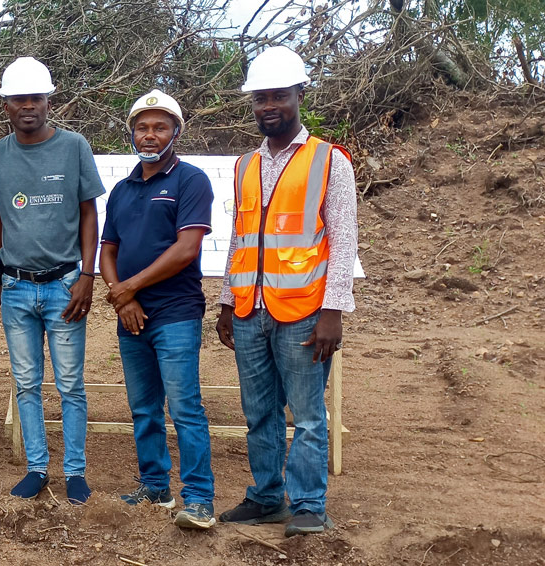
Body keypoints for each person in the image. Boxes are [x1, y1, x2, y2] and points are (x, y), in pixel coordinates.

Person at [215, 45, 357, 537]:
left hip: (303, 311)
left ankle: (309, 505)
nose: (267, 106)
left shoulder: (330, 161)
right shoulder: (243, 165)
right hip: (250, 311)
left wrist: (333, 311)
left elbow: (342, 242)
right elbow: (240, 235)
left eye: (278, 95)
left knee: (309, 416)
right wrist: (225, 302)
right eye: (259, 98)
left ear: (300, 94)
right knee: (258, 413)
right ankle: (266, 497)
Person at [0, 57, 104, 504]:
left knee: (70, 384)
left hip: (65, 284)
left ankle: (74, 471)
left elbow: (89, 212)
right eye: (18, 99)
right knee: (26, 382)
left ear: (49, 101)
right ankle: (37, 468)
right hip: (15, 287)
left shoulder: (74, 147)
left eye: (35, 97)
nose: (27, 105)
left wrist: (87, 274)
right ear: (6, 106)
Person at [99, 89, 216, 528]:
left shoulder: (190, 181)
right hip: (131, 316)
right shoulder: (122, 189)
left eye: (160, 126)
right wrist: (121, 295)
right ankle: (155, 485)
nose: (150, 135)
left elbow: (186, 249)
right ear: (132, 133)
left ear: (176, 132)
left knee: (185, 406)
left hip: (176, 313)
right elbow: (108, 249)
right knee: (144, 406)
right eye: (142, 127)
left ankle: (199, 497)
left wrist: (127, 288)